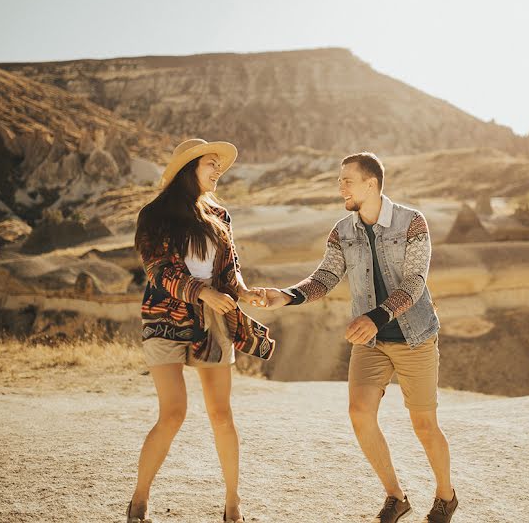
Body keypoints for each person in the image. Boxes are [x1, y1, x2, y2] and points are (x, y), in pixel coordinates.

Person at [250, 152, 458, 523]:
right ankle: (396, 497)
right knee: (360, 414)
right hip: (371, 341)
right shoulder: (342, 231)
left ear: (371, 184)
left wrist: (377, 317)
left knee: (424, 425)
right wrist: (287, 295)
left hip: (415, 336)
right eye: (339, 180)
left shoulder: (413, 223)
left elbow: (415, 282)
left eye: (347, 180)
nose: (340, 186)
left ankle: (446, 496)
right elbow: (324, 278)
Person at [129, 138, 266, 523]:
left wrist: (242, 289)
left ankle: (232, 503)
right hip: (164, 319)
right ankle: (139, 500)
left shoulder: (221, 215)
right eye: (211, 163)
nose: (218, 168)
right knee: (172, 413)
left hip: (212, 323)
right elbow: (159, 271)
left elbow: (230, 266)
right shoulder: (154, 215)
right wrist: (202, 292)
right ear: (190, 168)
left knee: (222, 414)